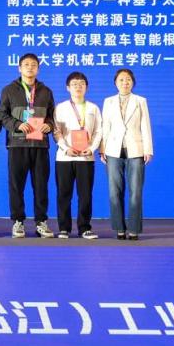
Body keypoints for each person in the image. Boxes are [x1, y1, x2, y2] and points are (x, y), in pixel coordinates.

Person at [0, 53, 56, 239]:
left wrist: (49, 125)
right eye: (26, 64)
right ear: (19, 68)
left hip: (40, 145)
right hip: (17, 145)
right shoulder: (9, 90)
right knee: (16, 185)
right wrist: (17, 125)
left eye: (33, 65)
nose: (30, 67)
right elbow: (2, 115)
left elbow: (52, 115)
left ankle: (41, 222)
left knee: (41, 185)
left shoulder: (46, 91)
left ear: (38, 68)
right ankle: (18, 221)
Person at [100, 68, 154, 241]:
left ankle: (134, 229)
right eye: (121, 80)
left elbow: (145, 125)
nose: (125, 82)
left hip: (136, 149)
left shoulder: (140, 101)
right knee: (114, 191)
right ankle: (119, 228)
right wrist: (102, 148)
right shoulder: (108, 101)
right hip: (112, 149)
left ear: (133, 82)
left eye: (128, 79)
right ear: (115, 83)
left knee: (136, 191)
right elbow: (105, 126)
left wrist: (148, 149)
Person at [53, 71, 102, 240]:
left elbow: (99, 131)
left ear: (86, 87)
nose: (78, 87)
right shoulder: (60, 107)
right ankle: (64, 228)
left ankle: (84, 228)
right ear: (68, 87)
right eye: (74, 84)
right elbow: (56, 131)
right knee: (63, 194)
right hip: (65, 157)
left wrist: (92, 148)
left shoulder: (93, 108)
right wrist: (65, 148)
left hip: (86, 157)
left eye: (81, 84)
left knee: (85, 194)